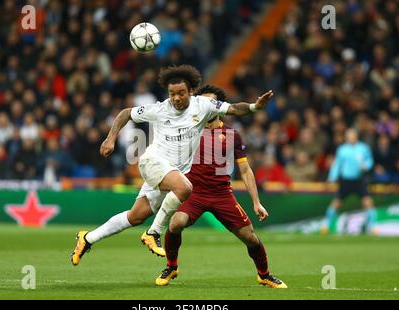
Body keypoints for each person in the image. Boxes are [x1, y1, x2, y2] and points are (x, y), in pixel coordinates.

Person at [71, 64, 274, 266]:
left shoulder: (203, 106)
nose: (176, 98)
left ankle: (87, 238)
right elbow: (125, 113)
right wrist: (110, 138)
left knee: (136, 216)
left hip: (171, 172)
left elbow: (235, 109)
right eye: (172, 94)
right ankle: (154, 233)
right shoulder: (159, 109)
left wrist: (255, 107)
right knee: (185, 187)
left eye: (181, 93)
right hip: (153, 163)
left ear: (191, 92)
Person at [154, 85, 287, 289]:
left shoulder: (232, 135)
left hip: (221, 194)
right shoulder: (187, 130)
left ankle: (265, 274)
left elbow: (245, 170)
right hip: (193, 193)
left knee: (250, 237)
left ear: (219, 107)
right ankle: (171, 266)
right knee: (176, 223)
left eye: (210, 102)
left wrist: (256, 202)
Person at [323, 128, 376, 234]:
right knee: (336, 203)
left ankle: (373, 227)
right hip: (345, 180)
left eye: (352, 136)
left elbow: (370, 160)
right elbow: (337, 164)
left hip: (359, 180)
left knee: (367, 202)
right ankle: (326, 225)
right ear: (346, 138)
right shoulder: (342, 149)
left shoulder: (363, 148)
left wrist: (366, 166)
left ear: (356, 136)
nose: (351, 138)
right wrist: (332, 177)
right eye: (348, 136)